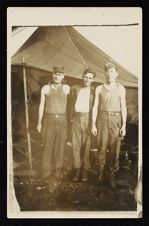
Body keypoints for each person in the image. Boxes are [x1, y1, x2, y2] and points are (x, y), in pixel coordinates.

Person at [92, 62, 127, 188]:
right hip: (101, 119)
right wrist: (93, 124)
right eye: (107, 71)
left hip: (115, 120)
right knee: (101, 147)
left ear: (116, 74)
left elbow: (123, 107)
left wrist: (124, 126)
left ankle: (111, 174)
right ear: (105, 73)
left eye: (112, 71)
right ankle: (100, 173)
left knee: (114, 149)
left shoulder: (121, 88)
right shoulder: (99, 88)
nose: (109, 73)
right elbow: (95, 106)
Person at [37, 66, 70, 180]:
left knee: (59, 147)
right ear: (52, 74)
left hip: (62, 120)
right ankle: (45, 173)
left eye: (59, 74)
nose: (57, 76)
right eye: (55, 74)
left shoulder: (66, 88)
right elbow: (41, 106)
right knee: (47, 146)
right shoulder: (45, 88)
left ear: (63, 76)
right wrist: (39, 123)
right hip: (48, 120)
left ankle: (58, 173)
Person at [69, 68, 96, 182]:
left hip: (88, 119)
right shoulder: (75, 88)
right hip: (76, 118)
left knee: (86, 145)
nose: (87, 79)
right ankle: (77, 169)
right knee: (76, 145)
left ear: (93, 80)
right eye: (85, 77)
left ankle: (85, 169)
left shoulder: (94, 92)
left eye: (90, 78)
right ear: (82, 77)